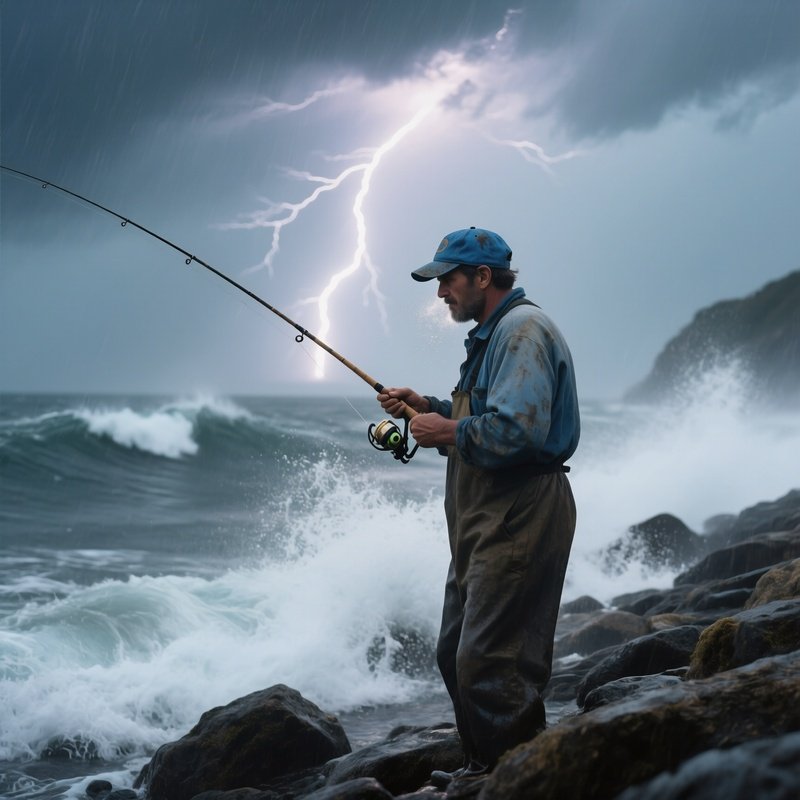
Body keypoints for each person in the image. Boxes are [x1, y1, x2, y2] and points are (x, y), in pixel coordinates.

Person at [377, 227, 580, 787]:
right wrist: (429, 408)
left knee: (491, 661)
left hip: (519, 511)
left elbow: (518, 431)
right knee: (454, 652)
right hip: (485, 517)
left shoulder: (521, 331)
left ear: (482, 277)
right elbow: (487, 414)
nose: (440, 291)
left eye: (447, 279)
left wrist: (446, 429)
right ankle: (485, 767)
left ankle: (516, 779)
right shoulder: (494, 337)